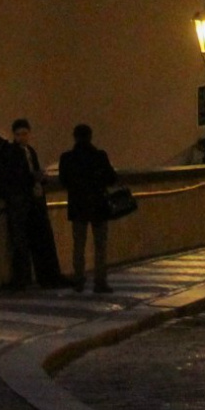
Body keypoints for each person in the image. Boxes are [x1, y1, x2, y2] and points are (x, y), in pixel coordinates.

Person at [0, 118, 67, 289]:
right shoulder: (14, 152)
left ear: (29, 134)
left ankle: (37, 278)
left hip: (30, 201)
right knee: (24, 241)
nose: (21, 137)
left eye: (24, 134)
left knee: (32, 240)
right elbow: (15, 176)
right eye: (18, 135)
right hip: (24, 201)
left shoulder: (29, 151)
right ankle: (29, 279)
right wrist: (34, 177)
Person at [56, 123, 119, 294]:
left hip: (78, 205)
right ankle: (100, 282)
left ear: (74, 137)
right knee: (100, 245)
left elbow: (64, 180)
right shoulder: (99, 156)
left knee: (79, 244)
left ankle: (79, 280)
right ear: (90, 137)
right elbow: (111, 178)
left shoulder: (67, 158)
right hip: (98, 205)